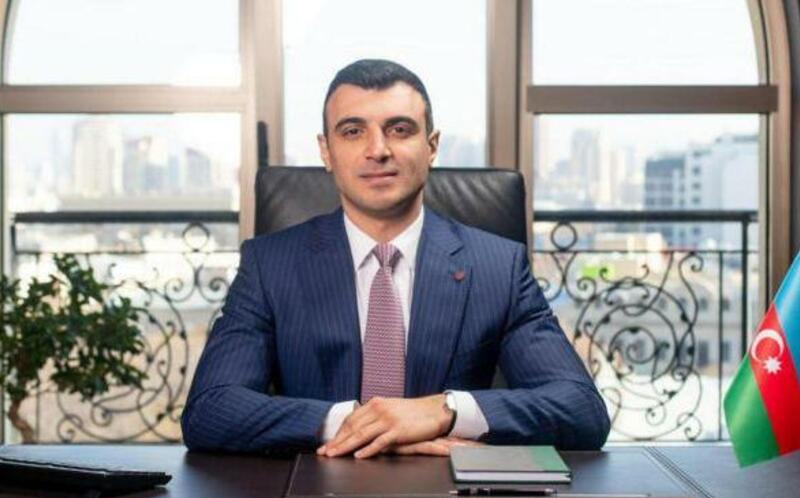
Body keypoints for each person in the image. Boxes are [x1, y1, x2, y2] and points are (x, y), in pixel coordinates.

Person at [181, 59, 610, 458]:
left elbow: (581, 410)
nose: (378, 149)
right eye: (353, 131)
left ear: (432, 146)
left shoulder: (498, 266)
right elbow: (210, 409)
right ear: (326, 151)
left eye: (400, 129)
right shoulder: (270, 264)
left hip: (451, 497)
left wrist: (443, 411)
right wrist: (358, 424)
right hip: (314, 491)